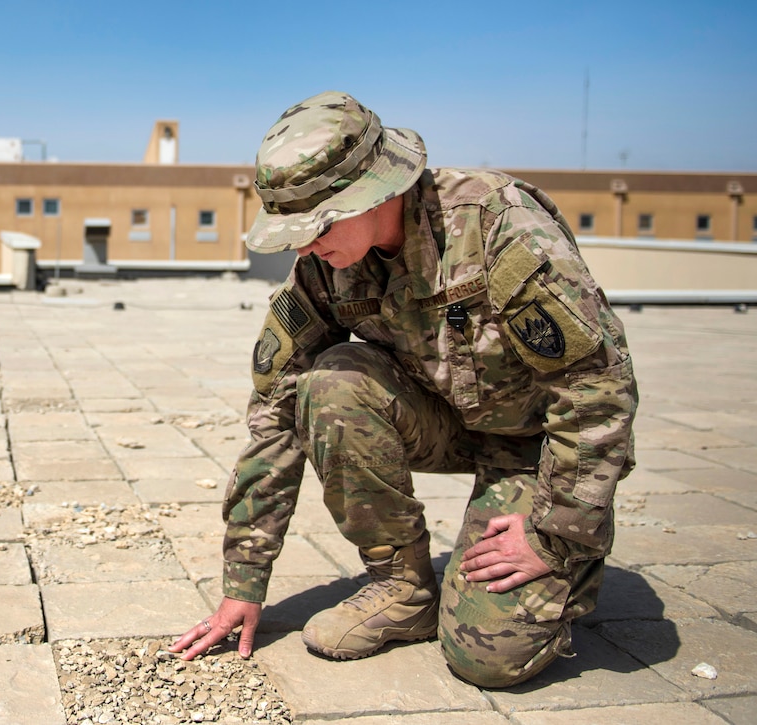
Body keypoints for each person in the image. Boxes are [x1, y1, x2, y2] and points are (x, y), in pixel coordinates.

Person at [168, 90, 638, 688]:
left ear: (376, 190)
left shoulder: (494, 221)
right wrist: (244, 580)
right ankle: (404, 587)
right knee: (329, 382)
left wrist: (557, 532)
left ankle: (568, 562)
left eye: (318, 225)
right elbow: (275, 409)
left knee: (488, 661)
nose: (306, 246)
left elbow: (595, 383)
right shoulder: (325, 262)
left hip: (536, 447)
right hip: (447, 425)